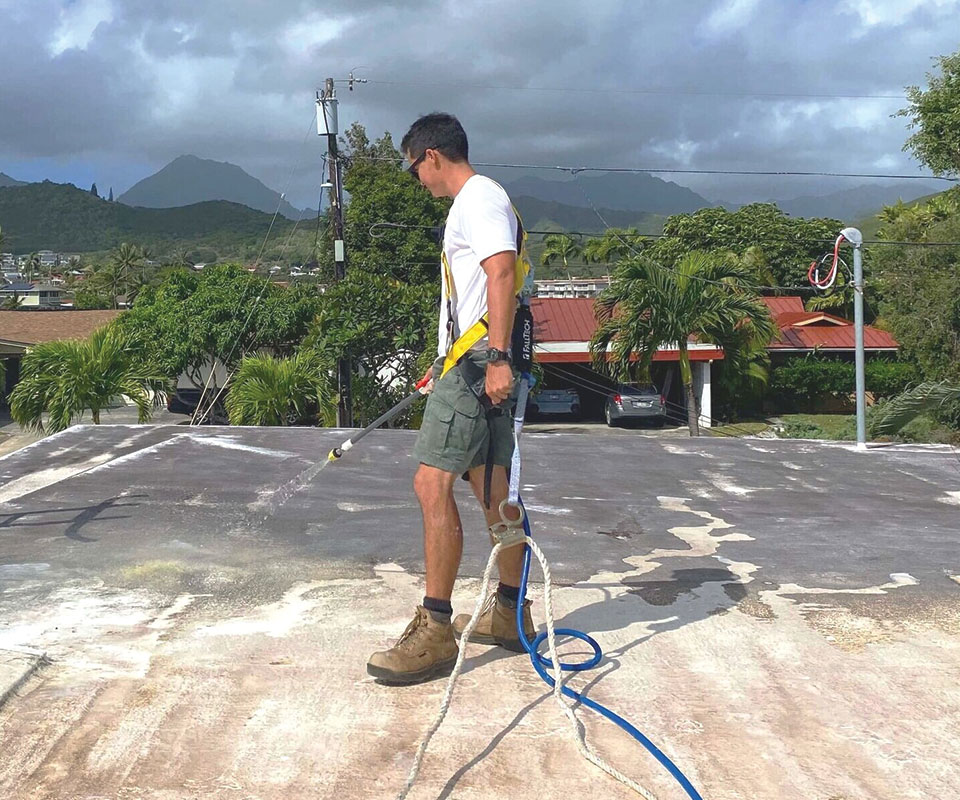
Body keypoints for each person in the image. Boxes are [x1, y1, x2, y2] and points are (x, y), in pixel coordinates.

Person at [367, 113, 536, 685]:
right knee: (492, 486)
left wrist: (495, 358)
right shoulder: (485, 200)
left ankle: (436, 629)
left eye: (415, 167)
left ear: (432, 156)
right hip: (471, 360)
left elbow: (501, 273)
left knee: (430, 482)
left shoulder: (476, 199)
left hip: (476, 368)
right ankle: (511, 615)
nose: (417, 178)